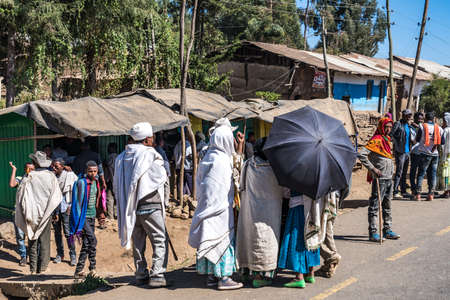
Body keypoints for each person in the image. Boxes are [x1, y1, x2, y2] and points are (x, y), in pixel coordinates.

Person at [189, 118, 245, 290]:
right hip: (220, 210)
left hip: (206, 209)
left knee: (209, 238)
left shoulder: (208, 157)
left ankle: (212, 277)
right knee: (222, 240)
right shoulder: (222, 161)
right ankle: (224, 278)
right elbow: (235, 178)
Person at [114, 122, 168, 287]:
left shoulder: (121, 157)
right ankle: (157, 274)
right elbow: (159, 178)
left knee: (138, 242)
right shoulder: (150, 154)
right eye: (151, 138)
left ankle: (141, 274)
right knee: (159, 239)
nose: (153, 140)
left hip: (131, 207)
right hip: (151, 204)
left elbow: (117, 184)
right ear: (146, 139)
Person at [236, 138, 285, 288]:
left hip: (250, 210)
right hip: (271, 212)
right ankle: (261, 275)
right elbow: (285, 191)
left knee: (249, 239)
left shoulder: (249, 164)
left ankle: (246, 272)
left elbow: (241, 185)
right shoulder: (276, 169)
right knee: (266, 241)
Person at [15, 151, 62, 274]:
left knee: (32, 241)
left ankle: (32, 269)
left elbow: (21, 195)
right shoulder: (51, 176)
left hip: (31, 214)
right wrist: (53, 212)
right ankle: (42, 269)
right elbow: (56, 197)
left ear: (35, 163)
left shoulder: (29, 176)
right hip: (46, 214)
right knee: (44, 241)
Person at [358, 117, 400, 242]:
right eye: (386, 127)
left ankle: (387, 229)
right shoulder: (376, 140)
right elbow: (362, 155)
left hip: (389, 178)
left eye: (390, 127)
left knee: (387, 205)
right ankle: (373, 232)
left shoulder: (387, 140)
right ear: (381, 127)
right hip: (380, 178)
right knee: (375, 205)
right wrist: (373, 169)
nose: (388, 129)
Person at [278, 192, 328, 288]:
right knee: (311, 238)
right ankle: (310, 273)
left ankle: (299, 277)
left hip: (298, 206)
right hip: (314, 207)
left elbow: (286, 192)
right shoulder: (318, 177)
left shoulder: (298, 176)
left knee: (298, 240)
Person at [70, 161, 102, 278]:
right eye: (90, 171)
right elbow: (76, 203)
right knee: (93, 240)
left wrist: (100, 215)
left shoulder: (97, 182)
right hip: (82, 217)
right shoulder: (81, 183)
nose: (93, 173)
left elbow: (98, 199)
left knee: (87, 243)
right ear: (86, 171)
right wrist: (77, 220)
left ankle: (78, 270)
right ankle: (92, 268)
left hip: (92, 216)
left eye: (95, 171)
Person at [51, 158, 78, 266]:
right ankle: (60, 254)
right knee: (57, 233)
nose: (54, 168)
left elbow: (76, 190)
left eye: (56, 167)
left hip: (66, 208)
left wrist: (71, 205)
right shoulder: (51, 177)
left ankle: (73, 255)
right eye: (53, 166)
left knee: (68, 233)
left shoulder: (69, 175)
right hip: (54, 209)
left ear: (63, 166)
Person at [72, 142, 107, 227]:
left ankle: (83, 220)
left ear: (81, 147)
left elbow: (75, 171)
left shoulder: (78, 157)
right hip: (94, 181)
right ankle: (100, 221)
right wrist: (103, 181)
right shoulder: (96, 155)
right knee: (98, 201)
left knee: (85, 200)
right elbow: (101, 169)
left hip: (82, 182)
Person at [8, 161, 35, 266]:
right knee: (20, 236)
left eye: (32, 169)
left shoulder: (37, 181)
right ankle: (23, 256)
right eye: (28, 169)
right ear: (25, 169)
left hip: (33, 212)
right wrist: (14, 170)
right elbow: (11, 184)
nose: (30, 171)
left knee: (32, 235)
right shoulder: (21, 178)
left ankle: (33, 257)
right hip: (19, 212)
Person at [414, 112, 445, 201]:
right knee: (433, 174)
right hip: (435, 154)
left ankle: (418, 194)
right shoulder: (439, 128)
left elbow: (418, 139)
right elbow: (442, 142)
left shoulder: (422, 126)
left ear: (425, 119)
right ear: (433, 118)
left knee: (421, 174)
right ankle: (431, 194)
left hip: (424, 153)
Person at [391, 109, 413, 198]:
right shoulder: (398, 124)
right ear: (403, 115)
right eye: (407, 115)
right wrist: (396, 145)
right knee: (399, 172)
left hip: (407, 152)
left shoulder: (408, 125)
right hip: (400, 151)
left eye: (410, 115)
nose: (409, 117)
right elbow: (391, 135)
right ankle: (395, 191)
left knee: (404, 172)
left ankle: (403, 191)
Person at [410, 112, 425, 197]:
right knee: (413, 171)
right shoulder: (412, 128)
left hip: (422, 153)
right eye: (418, 118)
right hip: (415, 152)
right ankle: (413, 188)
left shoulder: (423, 127)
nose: (420, 120)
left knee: (420, 172)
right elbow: (413, 141)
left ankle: (418, 189)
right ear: (415, 118)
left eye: (421, 119)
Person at [174, 132, 193, 197]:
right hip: (187, 167)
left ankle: (181, 197)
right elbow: (189, 155)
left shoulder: (176, 145)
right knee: (190, 183)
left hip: (178, 167)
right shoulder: (187, 144)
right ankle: (193, 196)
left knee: (181, 183)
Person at [104, 143, 118, 220]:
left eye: (109, 148)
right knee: (117, 199)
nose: (108, 149)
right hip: (118, 181)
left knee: (110, 198)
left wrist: (105, 181)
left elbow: (109, 170)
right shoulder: (120, 157)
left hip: (110, 180)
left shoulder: (109, 158)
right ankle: (117, 215)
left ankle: (110, 216)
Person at [442, 113, 450, 198]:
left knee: (446, 173)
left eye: (444, 121)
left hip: (447, 155)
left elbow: (442, 142)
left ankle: (446, 191)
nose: (443, 123)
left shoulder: (446, 130)